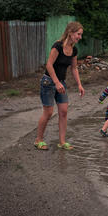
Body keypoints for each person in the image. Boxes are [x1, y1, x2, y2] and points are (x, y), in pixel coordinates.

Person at [34, 22, 86, 150]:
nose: (80, 37)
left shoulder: (74, 50)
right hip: (48, 82)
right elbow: (49, 65)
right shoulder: (57, 46)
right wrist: (56, 82)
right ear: (70, 32)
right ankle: (38, 140)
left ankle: (62, 142)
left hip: (61, 83)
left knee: (63, 112)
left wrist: (79, 84)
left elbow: (74, 68)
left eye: (81, 35)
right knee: (49, 113)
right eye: (78, 34)